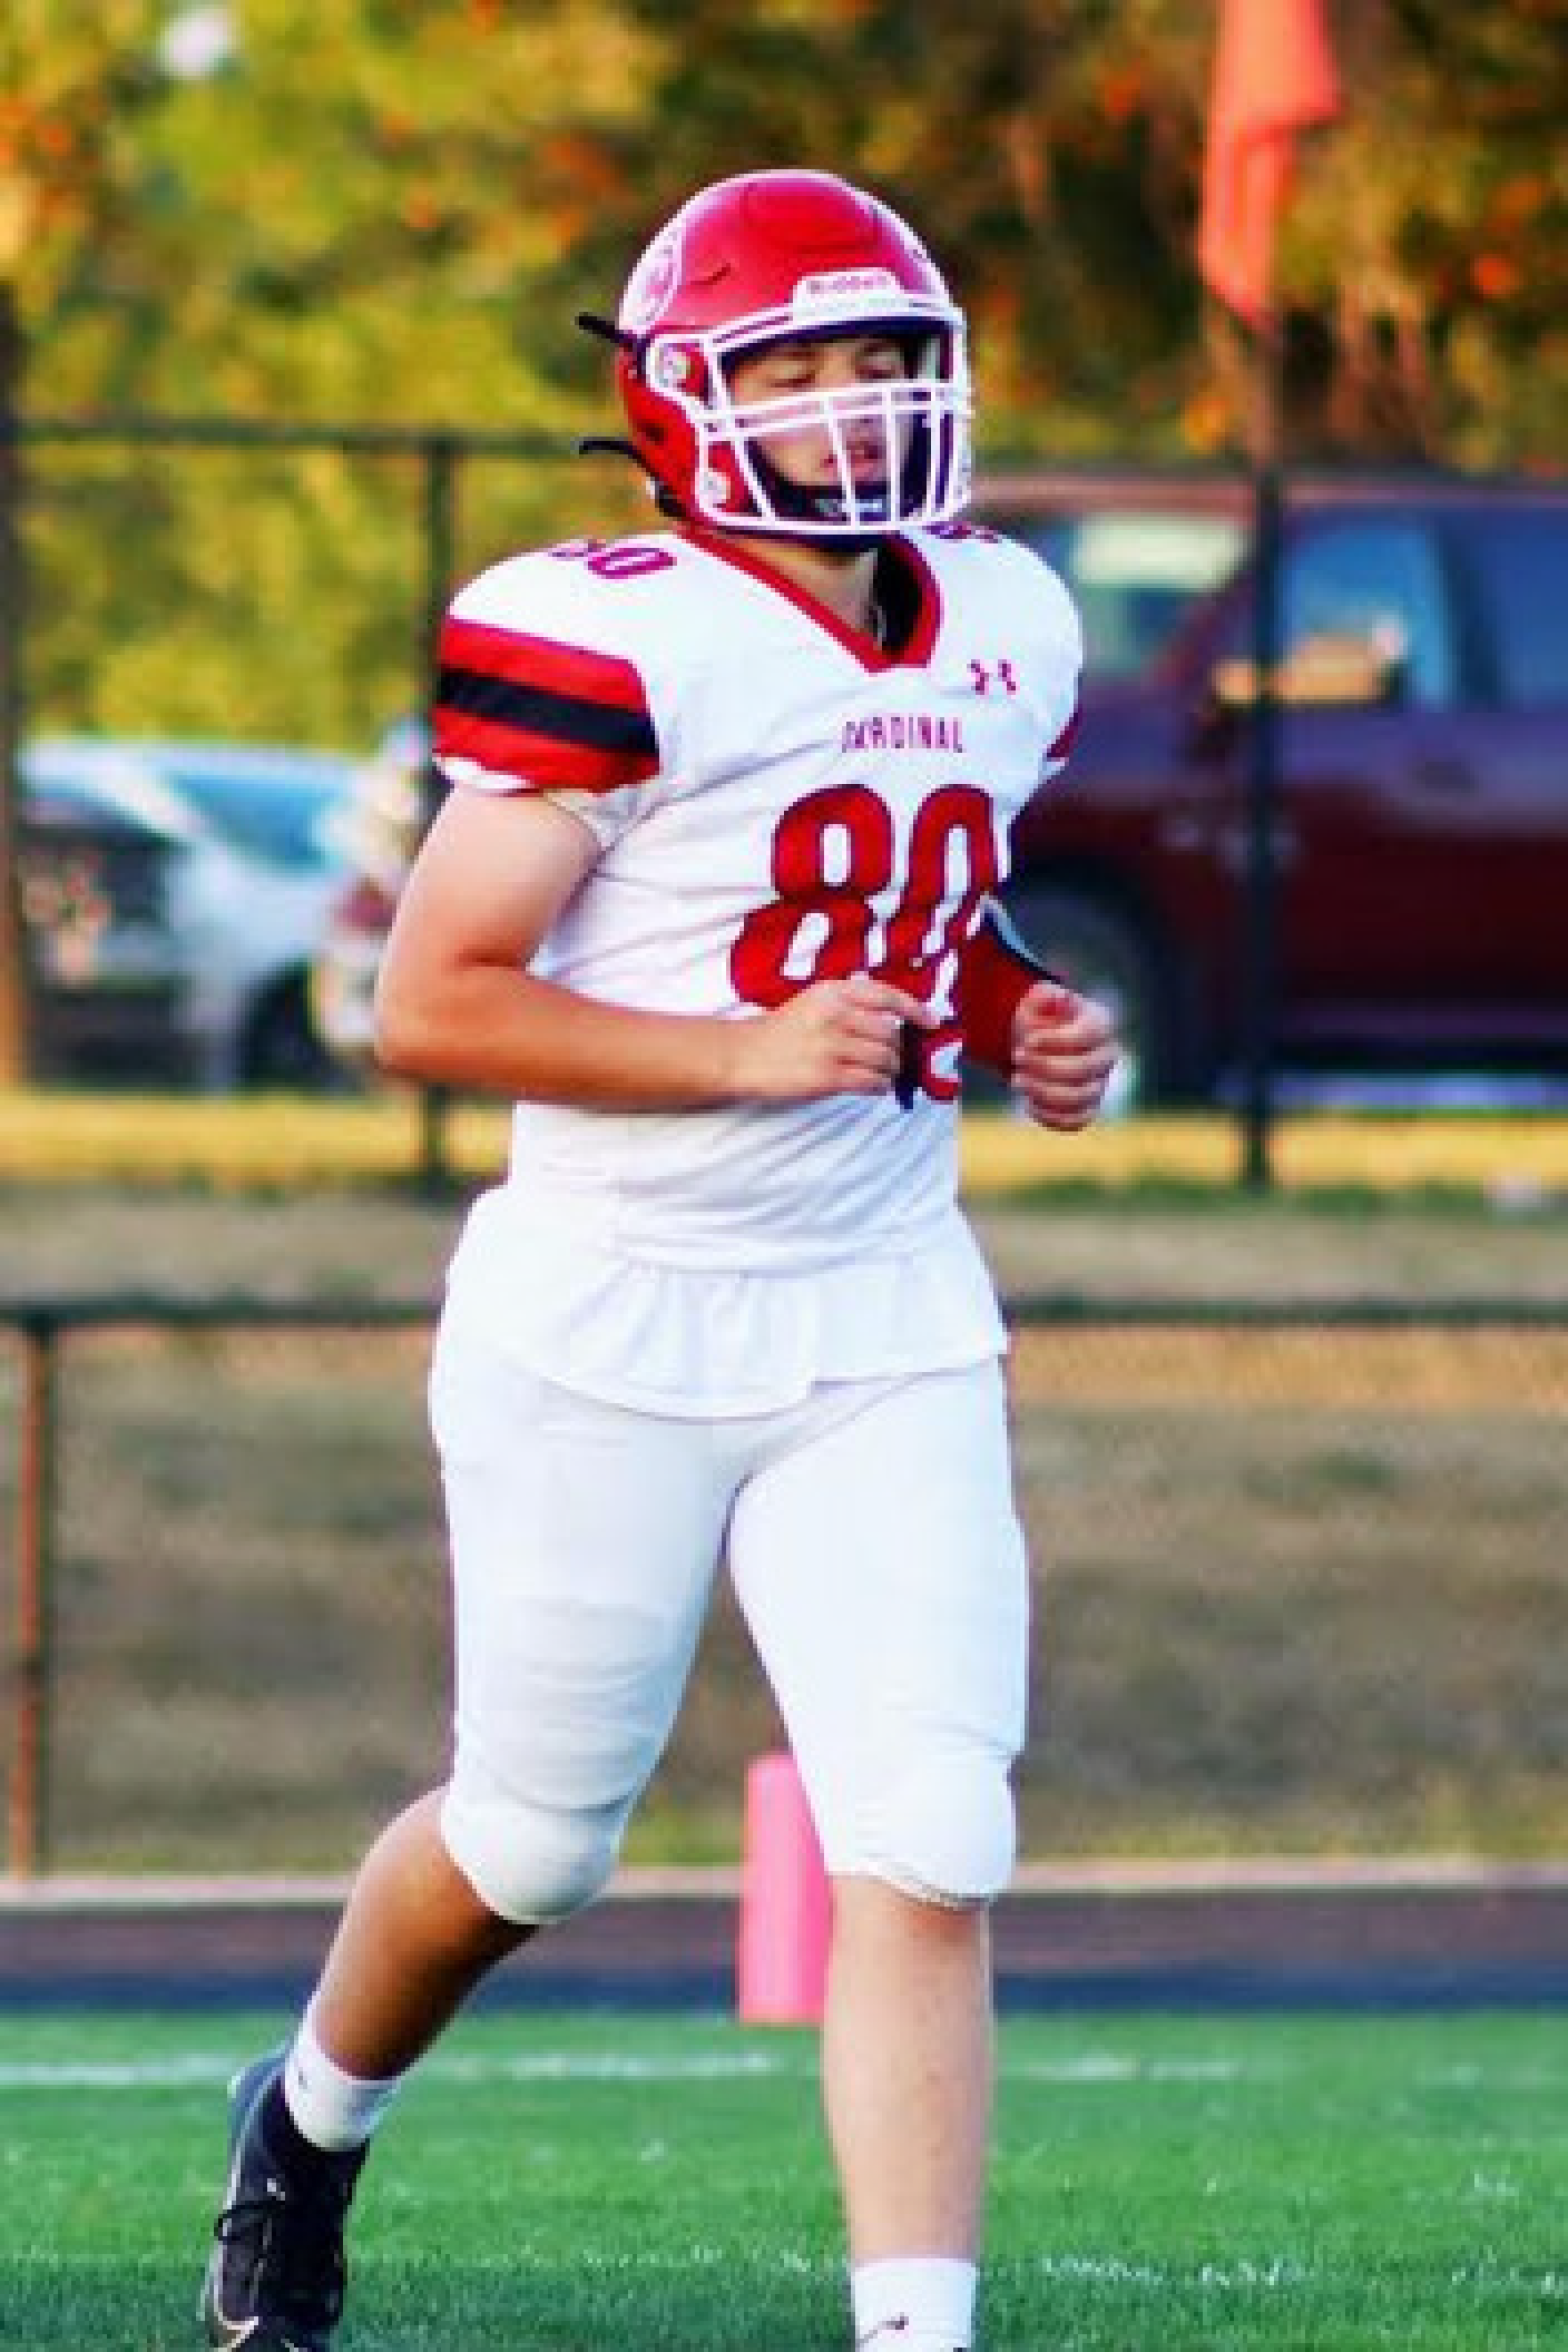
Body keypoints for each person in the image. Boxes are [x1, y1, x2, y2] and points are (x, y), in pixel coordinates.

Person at [202, 167, 1117, 2352]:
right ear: (687, 402)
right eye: (801, 364)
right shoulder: (611, 623)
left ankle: (918, 2333)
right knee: (531, 1841)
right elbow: (431, 1002)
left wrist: (1011, 1016)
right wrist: (733, 1057)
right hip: (605, 1312)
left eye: (888, 355)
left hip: (882, 1312)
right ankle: (311, 2121)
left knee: (931, 1829)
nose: (862, 403)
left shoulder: (1007, 615)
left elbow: (890, 919)